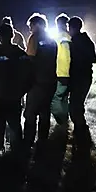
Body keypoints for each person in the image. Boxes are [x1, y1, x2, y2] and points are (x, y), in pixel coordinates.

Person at [0, 22, 33, 157]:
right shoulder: (21, 54)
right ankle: (16, 156)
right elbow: (30, 77)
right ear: (12, 35)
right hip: (13, 99)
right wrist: (21, 92)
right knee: (15, 127)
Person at [23, 12, 58, 148]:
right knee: (45, 112)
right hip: (51, 82)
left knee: (30, 113)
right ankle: (43, 141)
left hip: (37, 83)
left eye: (31, 26)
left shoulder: (35, 38)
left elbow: (29, 59)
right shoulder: (52, 40)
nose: (30, 29)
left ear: (37, 24)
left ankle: (28, 142)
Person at [67, 16, 96, 136]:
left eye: (69, 27)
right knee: (78, 105)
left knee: (75, 107)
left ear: (73, 27)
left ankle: (82, 132)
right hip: (86, 77)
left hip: (78, 78)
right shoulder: (88, 40)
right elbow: (94, 59)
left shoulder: (74, 41)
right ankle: (81, 131)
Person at [51, 13, 72, 130]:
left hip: (59, 73)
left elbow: (59, 57)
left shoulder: (57, 38)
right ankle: (65, 122)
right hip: (70, 75)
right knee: (64, 99)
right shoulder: (71, 37)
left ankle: (62, 123)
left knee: (54, 100)